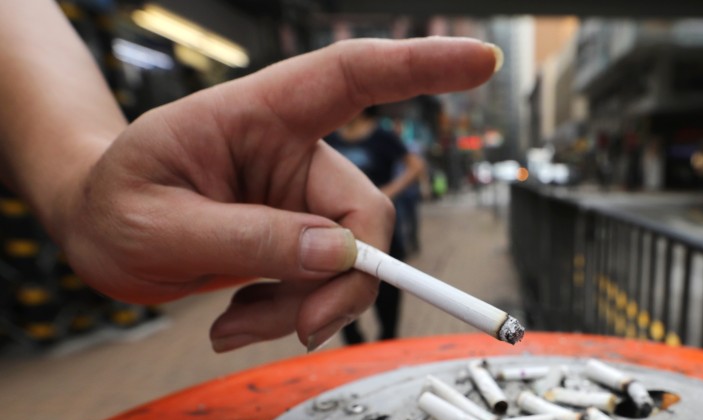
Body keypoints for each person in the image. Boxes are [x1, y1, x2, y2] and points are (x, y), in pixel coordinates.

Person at [0, 2, 501, 352]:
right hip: (341, 235)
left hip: (386, 227)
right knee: (342, 277)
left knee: (361, 280)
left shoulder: (383, 139)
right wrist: (81, 197)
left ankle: (381, 347)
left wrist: (79, 197)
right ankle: (360, 352)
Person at [324, 107, 425, 343]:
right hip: (343, 235)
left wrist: (386, 193)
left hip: (384, 235)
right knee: (344, 317)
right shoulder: (330, 138)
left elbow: (416, 166)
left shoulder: (383, 136)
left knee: (388, 312)